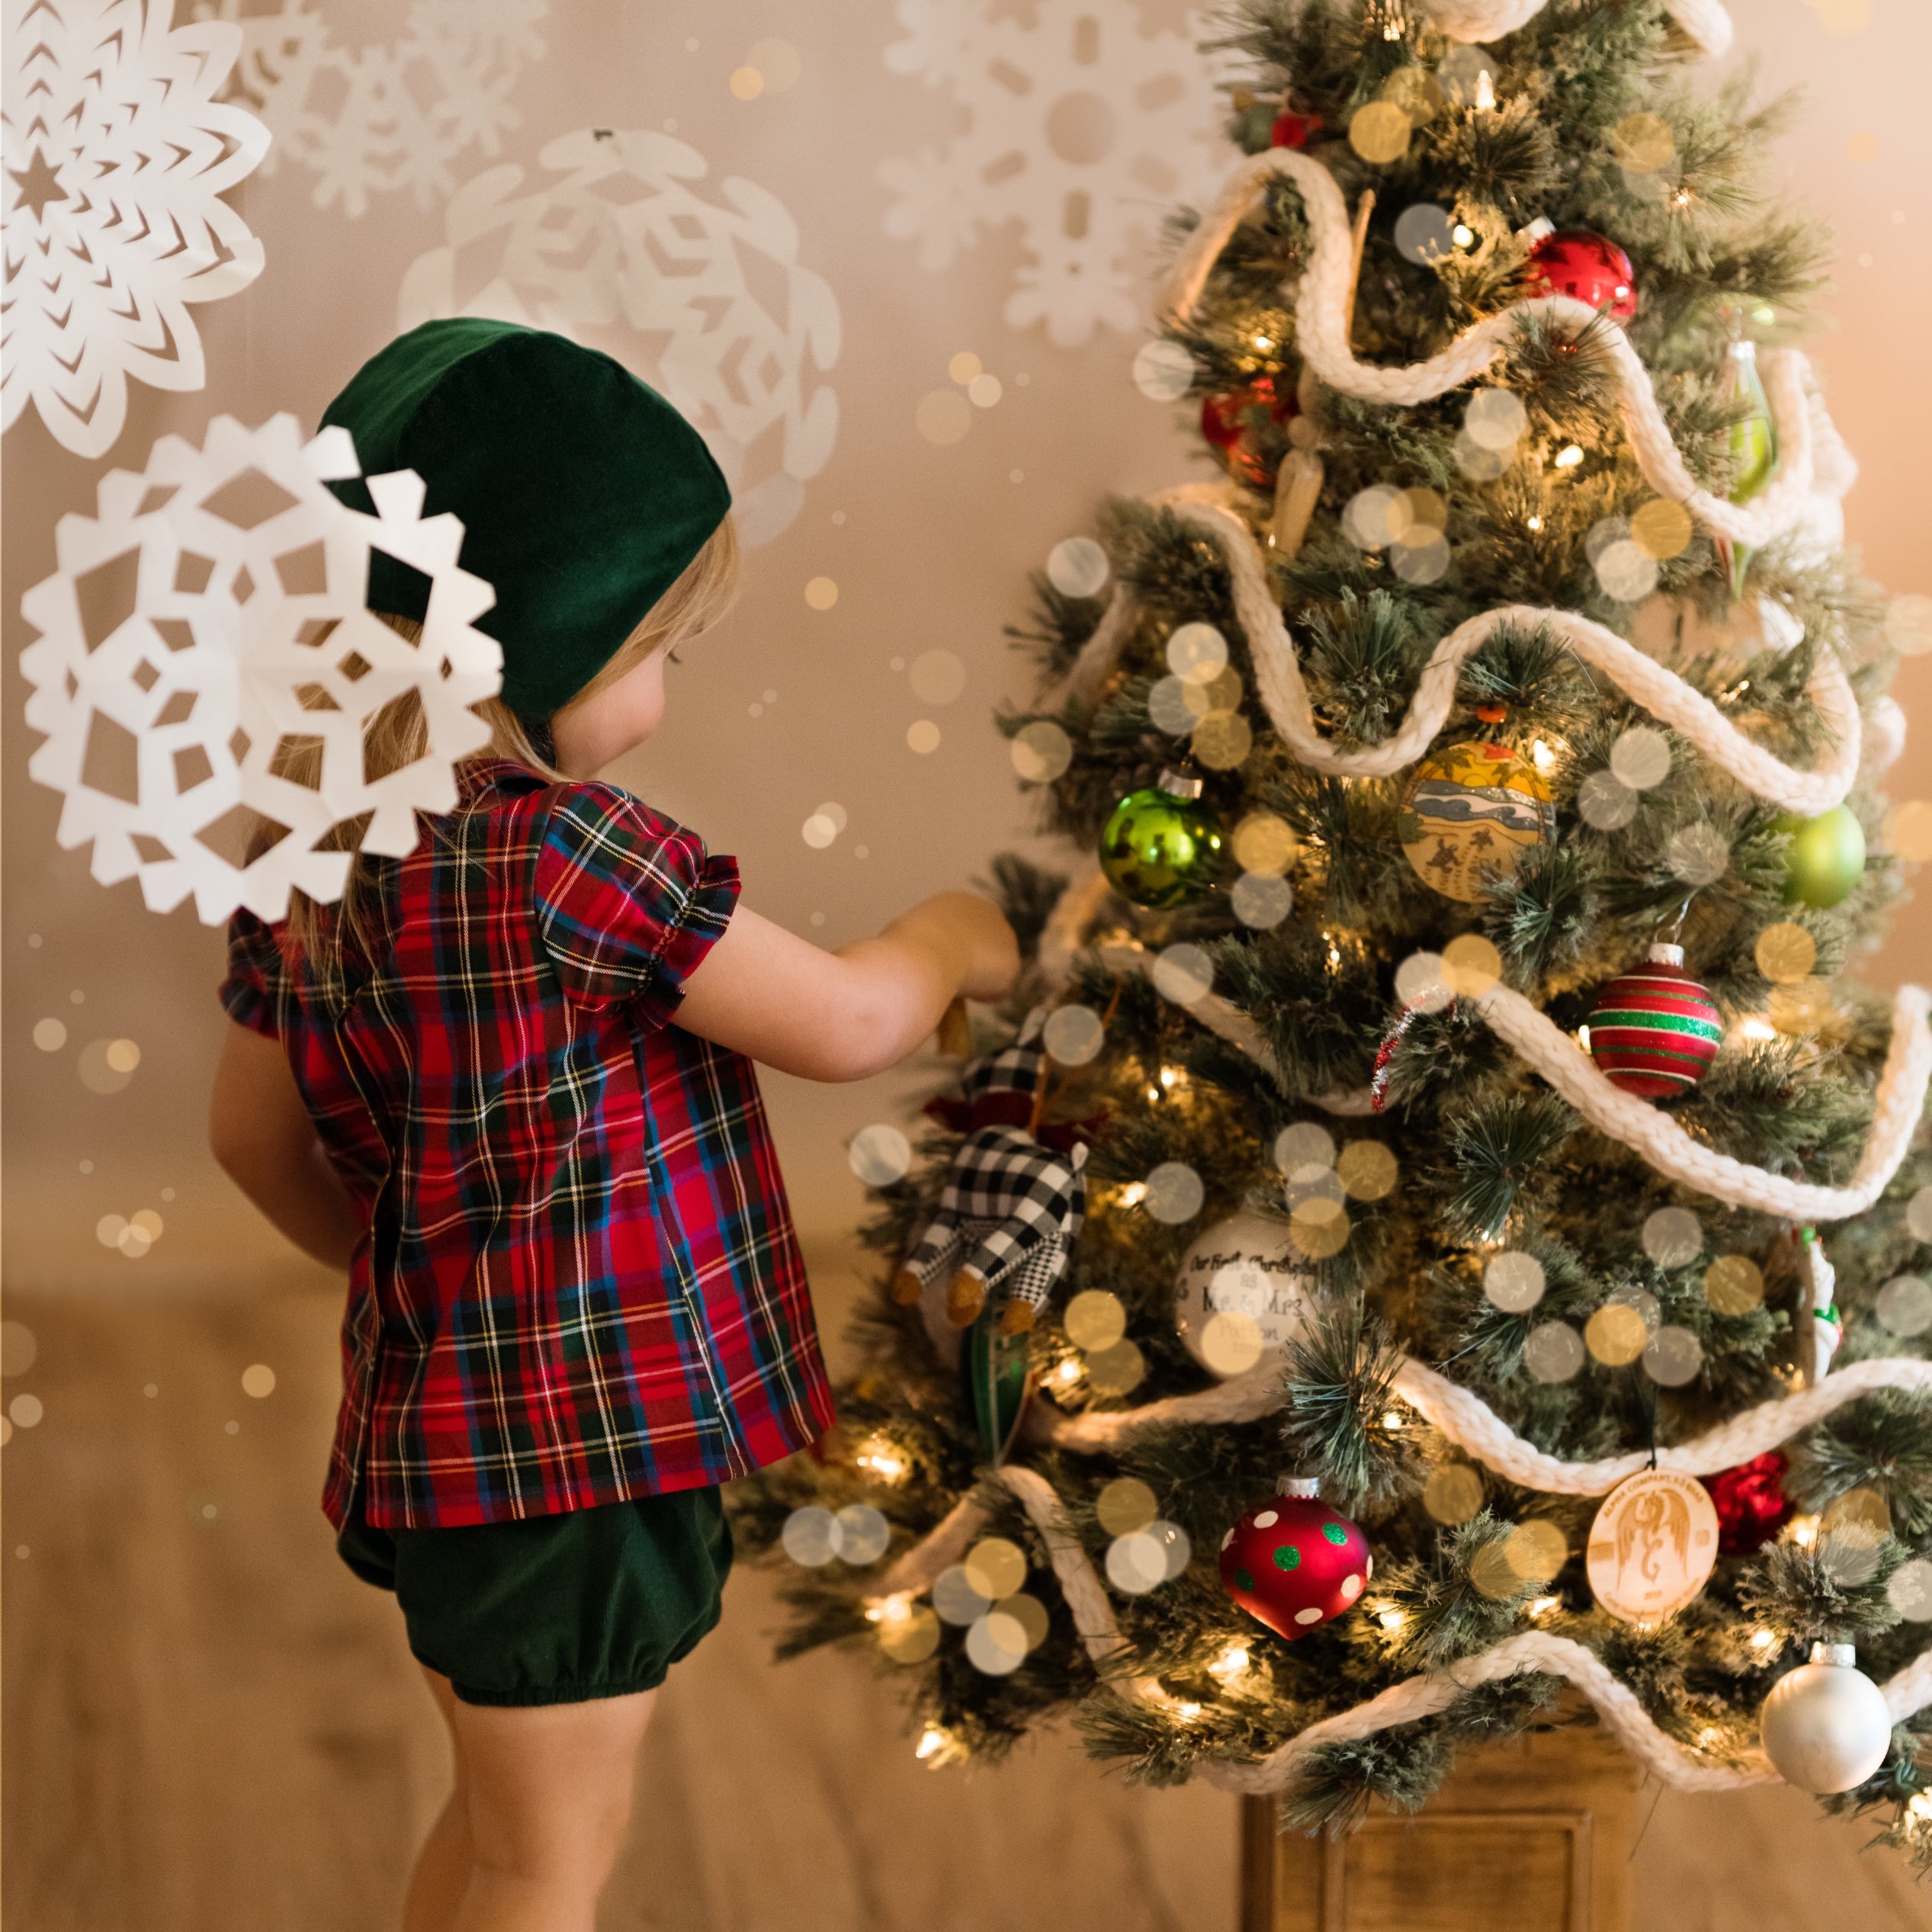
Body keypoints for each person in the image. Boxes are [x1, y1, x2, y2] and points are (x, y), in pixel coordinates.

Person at [207, 319, 1019, 1932]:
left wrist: (412, 1266)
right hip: (570, 1474)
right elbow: (850, 1024)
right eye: (656, 644)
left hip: (442, 1449)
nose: (665, 682)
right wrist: (960, 935)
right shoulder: (575, 855)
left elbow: (252, 1141)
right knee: (547, 1862)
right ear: (542, 643)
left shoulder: (308, 851)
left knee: (503, 1831)